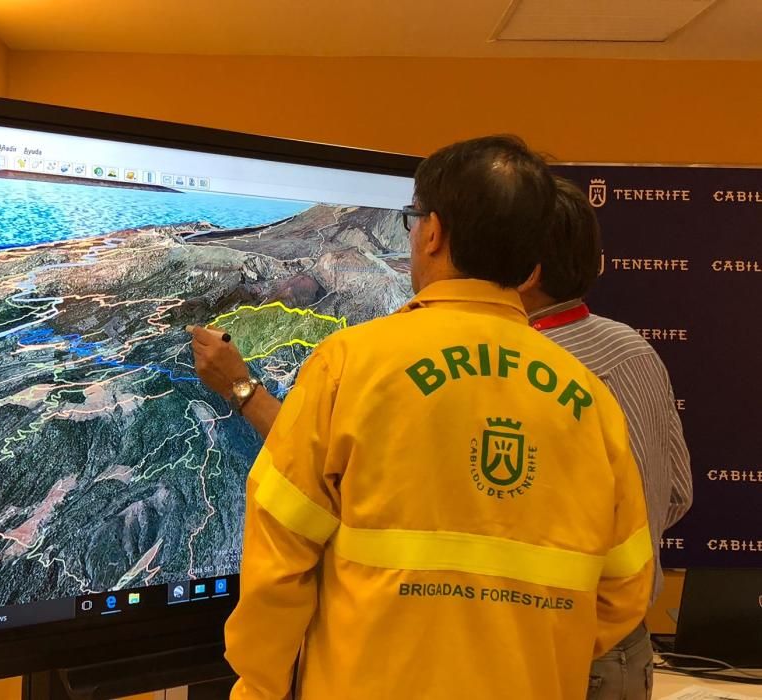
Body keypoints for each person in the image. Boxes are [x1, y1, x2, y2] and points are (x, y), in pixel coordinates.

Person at [190, 136, 653, 699]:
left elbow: (278, 561)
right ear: (532, 259)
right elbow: (625, 588)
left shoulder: (350, 365)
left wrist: (259, 686)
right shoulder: (589, 399)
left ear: (432, 231)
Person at [520, 177, 693, 700]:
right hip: (628, 648)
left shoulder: (518, 368)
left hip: (560, 648)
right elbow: (678, 494)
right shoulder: (634, 348)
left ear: (524, 271)